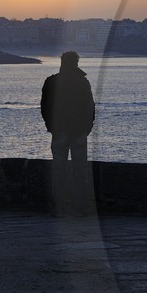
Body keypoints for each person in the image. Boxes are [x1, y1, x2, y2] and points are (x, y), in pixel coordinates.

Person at [40, 51, 95, 214]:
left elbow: (45, 107)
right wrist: (87, 128)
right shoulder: (83, 83)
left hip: (60, 131)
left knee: (58, 170)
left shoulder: (51, 82)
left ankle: (58, 206)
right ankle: (80, 207)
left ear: (62, 63)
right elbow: (90, 107)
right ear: (76, 63)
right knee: (80, 170)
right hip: (79, 132)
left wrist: (51, 126)